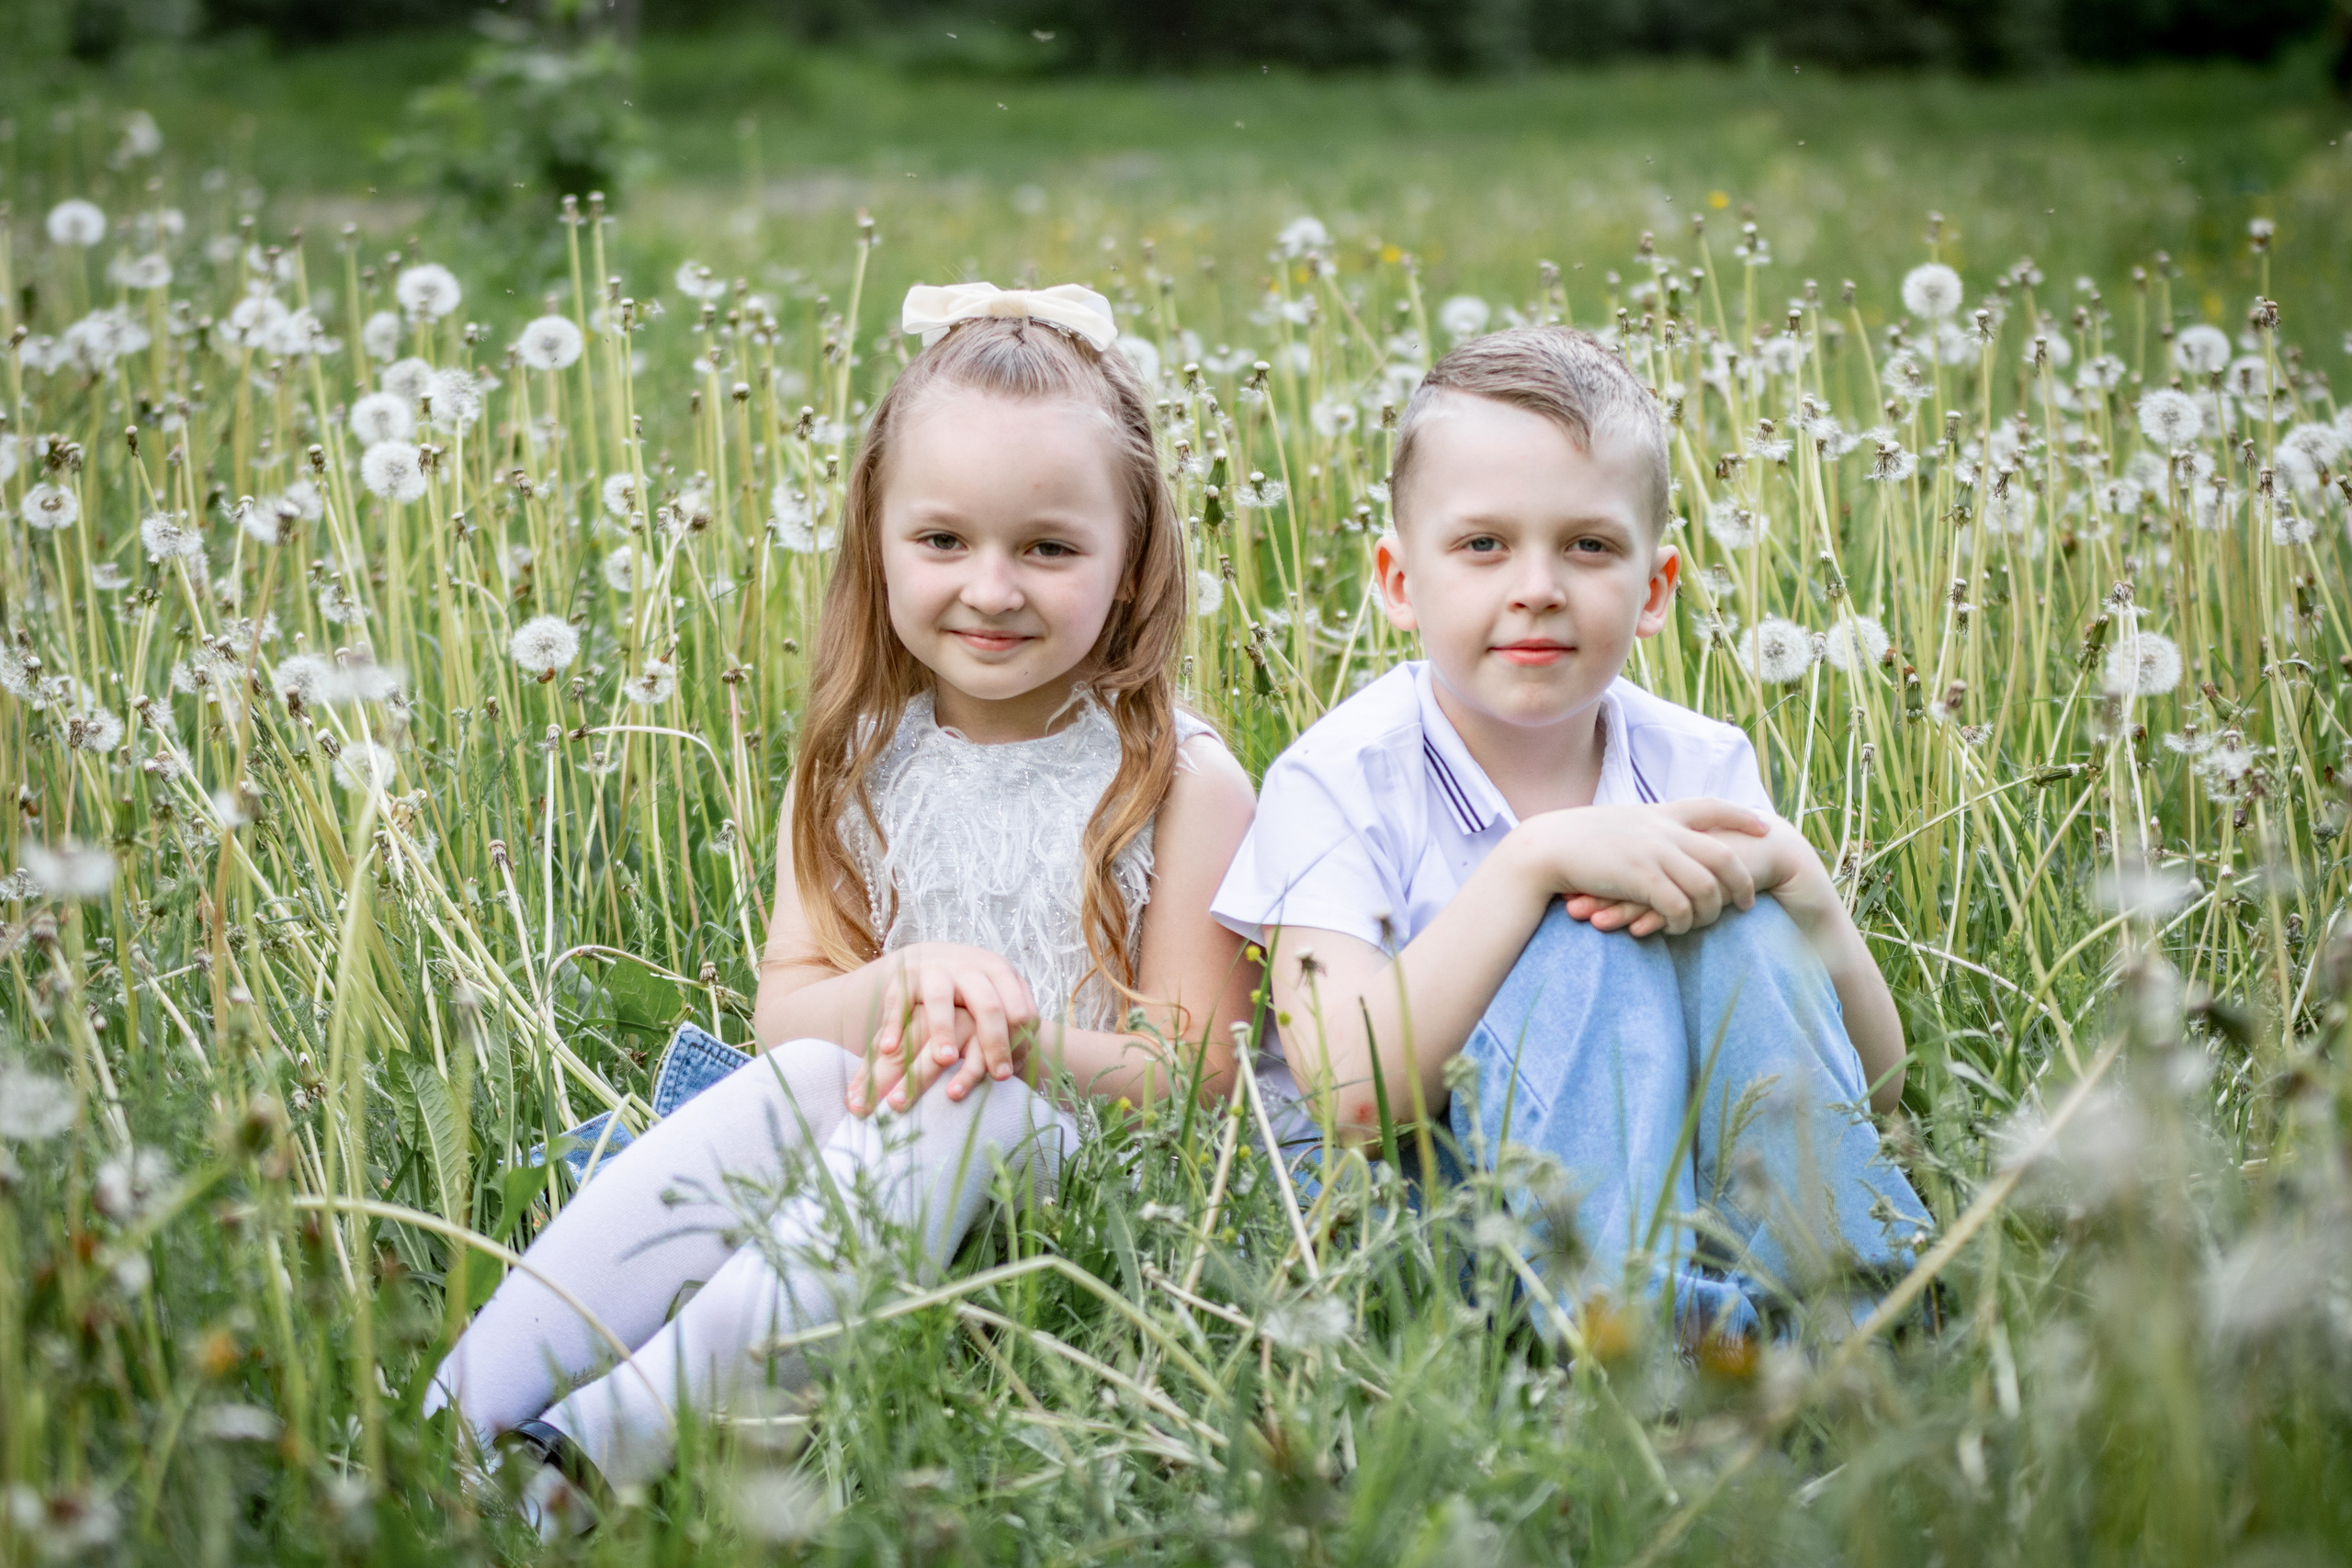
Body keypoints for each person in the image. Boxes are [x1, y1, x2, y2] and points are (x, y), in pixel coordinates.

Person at [424, 282, 1258, 1528]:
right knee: (798, 1081)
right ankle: (453, 1413)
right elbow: (789, 1012)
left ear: (1131, 560)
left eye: (1047, 545)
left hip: (1099, 1189)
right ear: (876, 537)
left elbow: (1200, 1070)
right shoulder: (856, 758)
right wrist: (907, 986)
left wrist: (1018, 1043)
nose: (992, 586)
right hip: (878, 1145)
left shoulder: (1181, 776)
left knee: (963, 1099)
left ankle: (601, 1450)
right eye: (943, 541)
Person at [1211, 325, 1929, 1340]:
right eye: (1482, 545)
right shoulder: (1336, 781)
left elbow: (1880, 1084)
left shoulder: (1697, 764)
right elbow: (1350, 1101)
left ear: (1653, 589)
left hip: (1684, 1193)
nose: (1537, 585)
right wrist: (1530, 864)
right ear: (1399, 580)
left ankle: (1859, 1317)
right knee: (1590, 943)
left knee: (1748, 925)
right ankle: (1654, 1359)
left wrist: (1805, 887)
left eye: (1588, 546)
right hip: (1434, 1227)